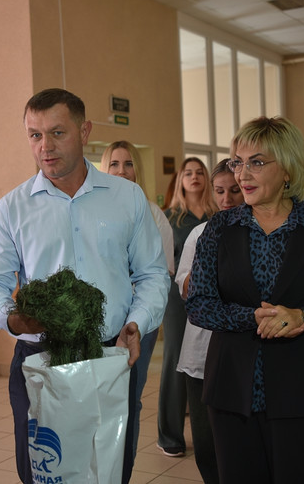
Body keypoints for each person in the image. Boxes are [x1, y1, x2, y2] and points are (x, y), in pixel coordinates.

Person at [0, 88, 169, 484]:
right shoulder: (13, 207)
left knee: (110, 467)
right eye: (34, 135)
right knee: (45, 469)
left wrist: (137, 324)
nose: (44, 147)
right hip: (41, 357)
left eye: (57, 133)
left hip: (111, 354)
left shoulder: (126, 198)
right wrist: (13, 320)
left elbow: (152, 274)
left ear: (84, 132)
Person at [186, 116, 304, 484]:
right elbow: (199, 303)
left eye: (256, 162)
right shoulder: (219, 228)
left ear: (287, 169)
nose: (242, 174)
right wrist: (251, 317)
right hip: (232, 393)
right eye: (238, 161)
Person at [99, 140, 175, 458]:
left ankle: (123, 465)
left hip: (136, 322)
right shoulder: (94, 212)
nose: (121, 170)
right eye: (114, 164)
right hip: (100, 320)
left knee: (129, 396)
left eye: (128, 163)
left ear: (137, 170)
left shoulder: (153, 214)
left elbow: (162, 272)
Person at [174, 158, 243, 484]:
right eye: (220, 191)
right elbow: (186, 285)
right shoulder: (200, 234)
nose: (227, 198)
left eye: (234, 190)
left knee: (237, 444)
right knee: (205, 442)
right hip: (200, 354)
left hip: (241, 354)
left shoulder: (255, 233)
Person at [158, 156, 217, 457]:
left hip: (214, 300)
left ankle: (210, 431)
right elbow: (165, 265)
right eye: (188, 173)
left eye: (199, 173)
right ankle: (170, 435)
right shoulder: (170, 218)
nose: (194, 177)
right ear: (180, 180)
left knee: (207, 361)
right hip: (177, 298)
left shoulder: (218, 213)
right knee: (174, 360)